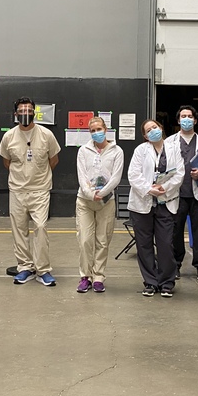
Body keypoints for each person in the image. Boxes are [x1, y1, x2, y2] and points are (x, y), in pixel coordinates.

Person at [0, 97, 61, 286]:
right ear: (15, 113)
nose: (25, 113)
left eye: (29, 109)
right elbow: (6, 162)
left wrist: (37, 176)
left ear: (34, 112)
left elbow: (54, 160)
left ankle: (43, 270)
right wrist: (21, 176)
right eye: (21, 110)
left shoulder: (46, 134)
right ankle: (25, 267)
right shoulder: (9, 136)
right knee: (19, 230)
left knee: (40, 228)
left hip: (40, 189)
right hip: (17, 190)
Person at [128, 119, 185, 298]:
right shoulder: (140, 150)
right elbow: (133, 175)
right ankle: (150, 282)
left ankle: (167, 282)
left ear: (161, 128)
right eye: (149, 130)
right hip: (142, 203)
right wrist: (149, 189)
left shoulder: (174, 148)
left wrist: (164, 189)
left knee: (165, 244)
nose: (153, 131)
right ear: (145, 136)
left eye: (155, 127)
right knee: (144, 245)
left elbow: (180, 173)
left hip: (165, 202)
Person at [75, 117, 124, 293]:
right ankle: (85, 277)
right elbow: (81, 175)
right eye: (93, 130)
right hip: (85, 200)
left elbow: (116, 177)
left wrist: (102, 193)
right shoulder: (83, 150)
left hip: (106, 201)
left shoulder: (117, 151)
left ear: (106, 129)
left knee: (102, 240)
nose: (96, 133)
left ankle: (98, 277)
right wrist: (90, 193)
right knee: (85, 240)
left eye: (99, 129)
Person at [165, 105, 198, 281]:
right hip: (177, 193)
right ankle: (176, 264)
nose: (186, 119)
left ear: (195, 120)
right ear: (178, 120)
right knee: (175, 231)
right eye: (183, 116)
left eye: (189, 116)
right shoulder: (169, 142)